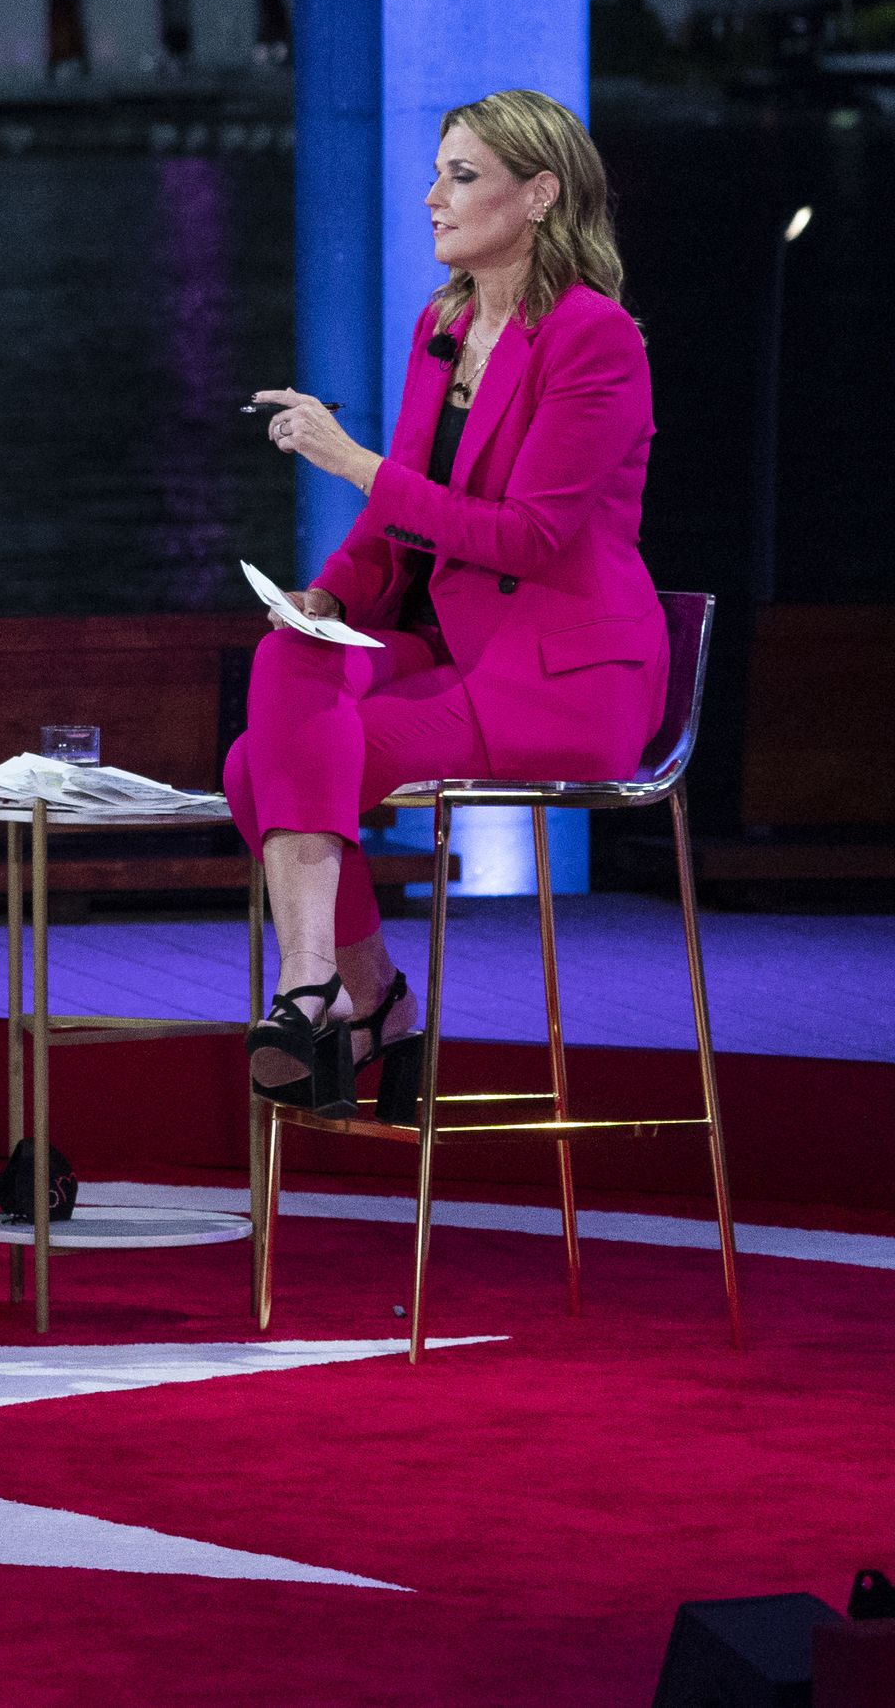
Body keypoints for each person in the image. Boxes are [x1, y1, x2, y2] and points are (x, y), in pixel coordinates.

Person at [238, 87, 665, 1114]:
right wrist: (325, 594)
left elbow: (528, 533)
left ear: (539, 196)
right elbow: (401, 531)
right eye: (436, 173)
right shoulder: (446, 326)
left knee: (261, 769)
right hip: (455, 650)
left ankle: (345, 999)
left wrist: (354, 463)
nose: (431, 197)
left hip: (560, 677)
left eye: (460, 176)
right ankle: (335, 991)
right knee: (288, 661)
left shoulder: (593, 339)